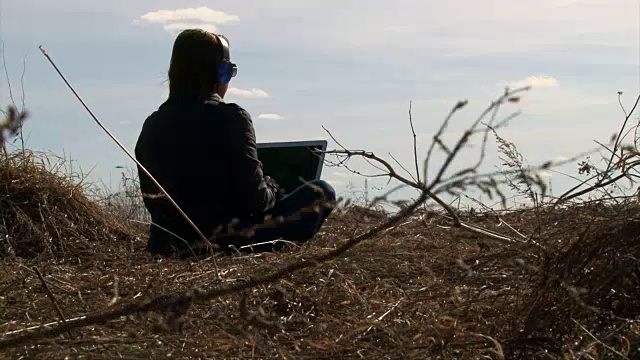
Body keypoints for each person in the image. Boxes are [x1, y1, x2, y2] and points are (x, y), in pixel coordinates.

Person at [134, 29, 336, 257]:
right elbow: (255, 201)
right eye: (230, 71)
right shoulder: (232, 118)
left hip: (169, 247)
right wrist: (272, 187)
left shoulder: (151, 125)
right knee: (322, 192)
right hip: (227, 243)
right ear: (221, 73)